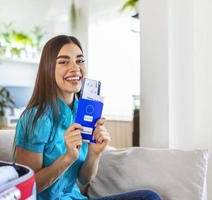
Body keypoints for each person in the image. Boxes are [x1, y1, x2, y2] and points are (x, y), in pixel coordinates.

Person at [14, 35, 161, 200]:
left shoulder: (83, 112)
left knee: (148, 197)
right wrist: (67, 158)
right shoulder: (36, 118)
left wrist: (94, 153)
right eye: (64, 62)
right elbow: (27, 188)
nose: (75, 68)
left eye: (80, 61)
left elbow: (84, 179)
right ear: (48, 68)